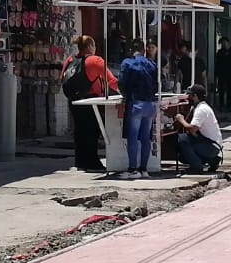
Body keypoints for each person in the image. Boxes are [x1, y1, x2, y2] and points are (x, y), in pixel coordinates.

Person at [62, 34, 112, 171]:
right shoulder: (94, 60)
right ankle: (92, 162)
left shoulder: (70, 59)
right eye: (94, 45)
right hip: (91, 100)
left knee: (79, 131)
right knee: (92, 131)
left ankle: (80, 161)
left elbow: (62, 77)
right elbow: (111, 80)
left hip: (73, 100)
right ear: (90, 46)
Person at [117, 40, 160, 178]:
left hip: (135, 104)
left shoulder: (127, 63)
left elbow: (122, 83)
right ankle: (144, 169)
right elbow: (157, 83)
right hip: (150, 105)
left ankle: (132, 169)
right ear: (143, 50)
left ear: (131, 50)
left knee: (133, 137)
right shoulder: (152, 64)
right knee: (146, 138)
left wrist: (125, 93)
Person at [173, 83, 224, 174]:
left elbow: (192, 129)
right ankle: (212, 160)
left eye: (190, 95)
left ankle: (196, 166)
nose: (188, 97)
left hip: (211, 146)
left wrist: (181, 120)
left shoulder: (201, 109)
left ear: (195, 96)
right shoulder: (203, 107)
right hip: (211, 144)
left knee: (182, 139)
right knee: (186, 144)